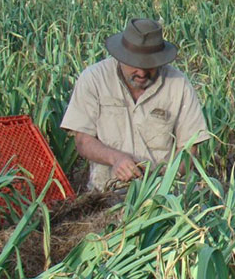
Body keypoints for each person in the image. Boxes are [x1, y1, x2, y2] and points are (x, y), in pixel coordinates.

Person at [61, 18, 210, 192]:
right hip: (107, 193)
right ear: (120, 56)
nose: (141, 73)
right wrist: (115, 159)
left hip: (165, 195)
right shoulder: (94, 79)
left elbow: (189, 149)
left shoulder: (178, 85)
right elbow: (83, 141)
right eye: (135, 64)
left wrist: (163, 179)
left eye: (149, 66)